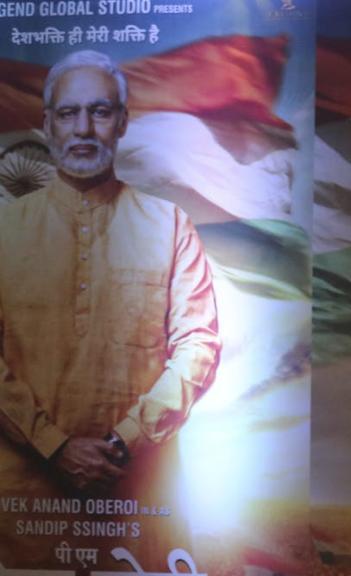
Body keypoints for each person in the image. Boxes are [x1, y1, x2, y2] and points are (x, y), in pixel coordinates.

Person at [0, 50, 220, 509]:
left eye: (99, 112)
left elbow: (199, 347)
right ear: (48, 124)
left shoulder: (170, 226)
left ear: (122, 122)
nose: (83, 129)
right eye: (68, 113)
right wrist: (53, 445)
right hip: (22, 506)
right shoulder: (5, 231)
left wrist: (126, 441)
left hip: (137, 504)